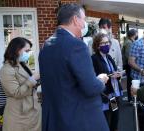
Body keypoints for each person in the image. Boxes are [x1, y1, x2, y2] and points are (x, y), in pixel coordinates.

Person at [39, 3, 109, 131]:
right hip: (79, 119)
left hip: (55, 119)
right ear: (75, 20)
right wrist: (101, 80)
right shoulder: (76, 45)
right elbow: (91, 88)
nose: (84, 25)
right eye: (84, 19)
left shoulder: (46, 45)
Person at [0, 37, 41, 131]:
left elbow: (31, 86)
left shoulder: (23, 65)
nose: (29, 53)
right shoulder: (6, 70)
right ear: (17, 50)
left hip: (33, 112)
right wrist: (32, 79)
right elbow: (16, 93)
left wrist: (38, 80)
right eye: (27, 50)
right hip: (18, 115)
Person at [91, 33, 123, 131]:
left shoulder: (108, 57)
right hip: (104, 94)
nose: (106, 45)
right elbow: (95, 76)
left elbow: (113, 71)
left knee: (115, 115)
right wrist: (110, 75)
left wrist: (117, 74)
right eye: (103, 43)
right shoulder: (94, 59)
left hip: (113, 93)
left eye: (107, 42)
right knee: (105, 117)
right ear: (97, 45)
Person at [122, 29, 138, 102]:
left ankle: (130, 97)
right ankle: (130, 98)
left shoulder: (129, 41)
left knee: (130, 81)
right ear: (134, 35)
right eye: (136, 33)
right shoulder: (129, 43)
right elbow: (128, 55)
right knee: (130, 81)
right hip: (128, 65)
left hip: (127, 64)